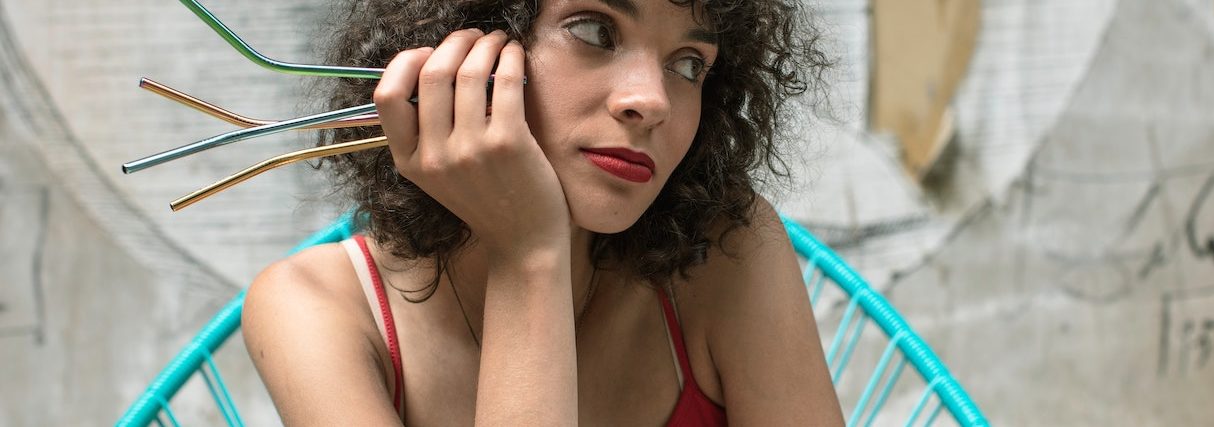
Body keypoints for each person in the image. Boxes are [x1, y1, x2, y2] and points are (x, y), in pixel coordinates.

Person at [242, 0, 842, 424]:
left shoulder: (730, 253)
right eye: (596, 31)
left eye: (689, 64)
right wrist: (529, 253)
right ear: (462, 48)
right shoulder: (313, 308)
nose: (653, 102)